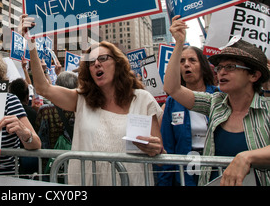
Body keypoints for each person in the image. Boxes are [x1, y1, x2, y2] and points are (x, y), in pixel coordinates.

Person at [20, 15, 163, 186]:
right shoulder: (81, 100)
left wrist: (155, 149)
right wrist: (31, 44)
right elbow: (43, 88)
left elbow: (160, 154)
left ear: (117, 63)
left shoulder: (143, 99)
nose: (96, 64)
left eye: (102, 59)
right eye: (91, 62)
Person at [164, 15, 270, 186]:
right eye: (220, 67)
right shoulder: (215, 103)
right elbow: (173, 88)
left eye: (230, 67)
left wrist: (247, 157)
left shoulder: (267, 108)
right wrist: (179, 44)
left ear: (254, 75)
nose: (221, 72)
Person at [158, 45, 218, 186]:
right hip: (185, 172)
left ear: (203, 66)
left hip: (217, 168)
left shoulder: (219, 96)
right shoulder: (172, 102)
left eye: (192, 60)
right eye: (181, 61)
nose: (186, 64)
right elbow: (168, 145)